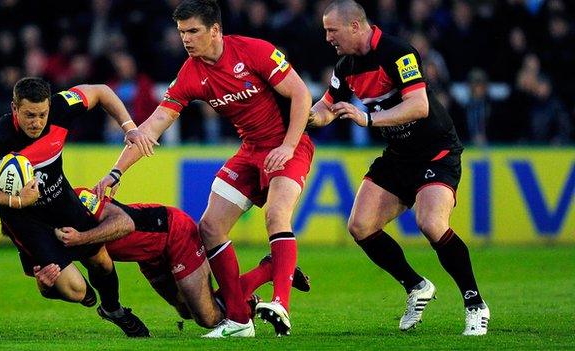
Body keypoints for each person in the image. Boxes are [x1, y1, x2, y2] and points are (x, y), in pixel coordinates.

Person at [94, 0, 314, 338]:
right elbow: (153, 127)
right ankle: (240, 321)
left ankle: (280, 303)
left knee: (276, 213)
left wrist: (287, 146)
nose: (186, 39)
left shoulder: (254, 51)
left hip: (289, 145)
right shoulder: (191, 73)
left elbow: (300, 95)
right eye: (182, 32)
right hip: (250, 151)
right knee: (209, 227)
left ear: (215, 30)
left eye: (193, 31)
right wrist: (116, 171)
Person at [308, 0, 489, 336]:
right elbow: (327, 106)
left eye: (332, 30)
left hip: (436, 151)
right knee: (360, 226)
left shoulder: (398, 52)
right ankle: (416, 286)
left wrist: (368, 118)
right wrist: (305, 116)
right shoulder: (345, 65)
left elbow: (419, 106)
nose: (328, 37)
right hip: (399, 155)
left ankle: (475, 303)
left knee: (430, 222)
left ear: (355, 26)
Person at [0, 77, 156, 337]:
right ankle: (48, 287)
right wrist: (16, 201)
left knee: (102, 262)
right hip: (23, 217)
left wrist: (129, 127)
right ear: (14, 108)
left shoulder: (62, 106)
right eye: (29, 115)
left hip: (61, 200)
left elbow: (101, 91)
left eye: (42, 115)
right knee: (77, 291)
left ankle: (114, 310)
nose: (37, 122)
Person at [30, 187, 311, 330]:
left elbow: (125, 224)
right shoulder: (36, 233)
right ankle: (257, 287)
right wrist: (46, 286)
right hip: (149, 256)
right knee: (186, 312)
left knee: (208, 318)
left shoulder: (78, 197)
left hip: (172, 231)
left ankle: (270, 269)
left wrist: (80, 239)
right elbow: (60, 284)